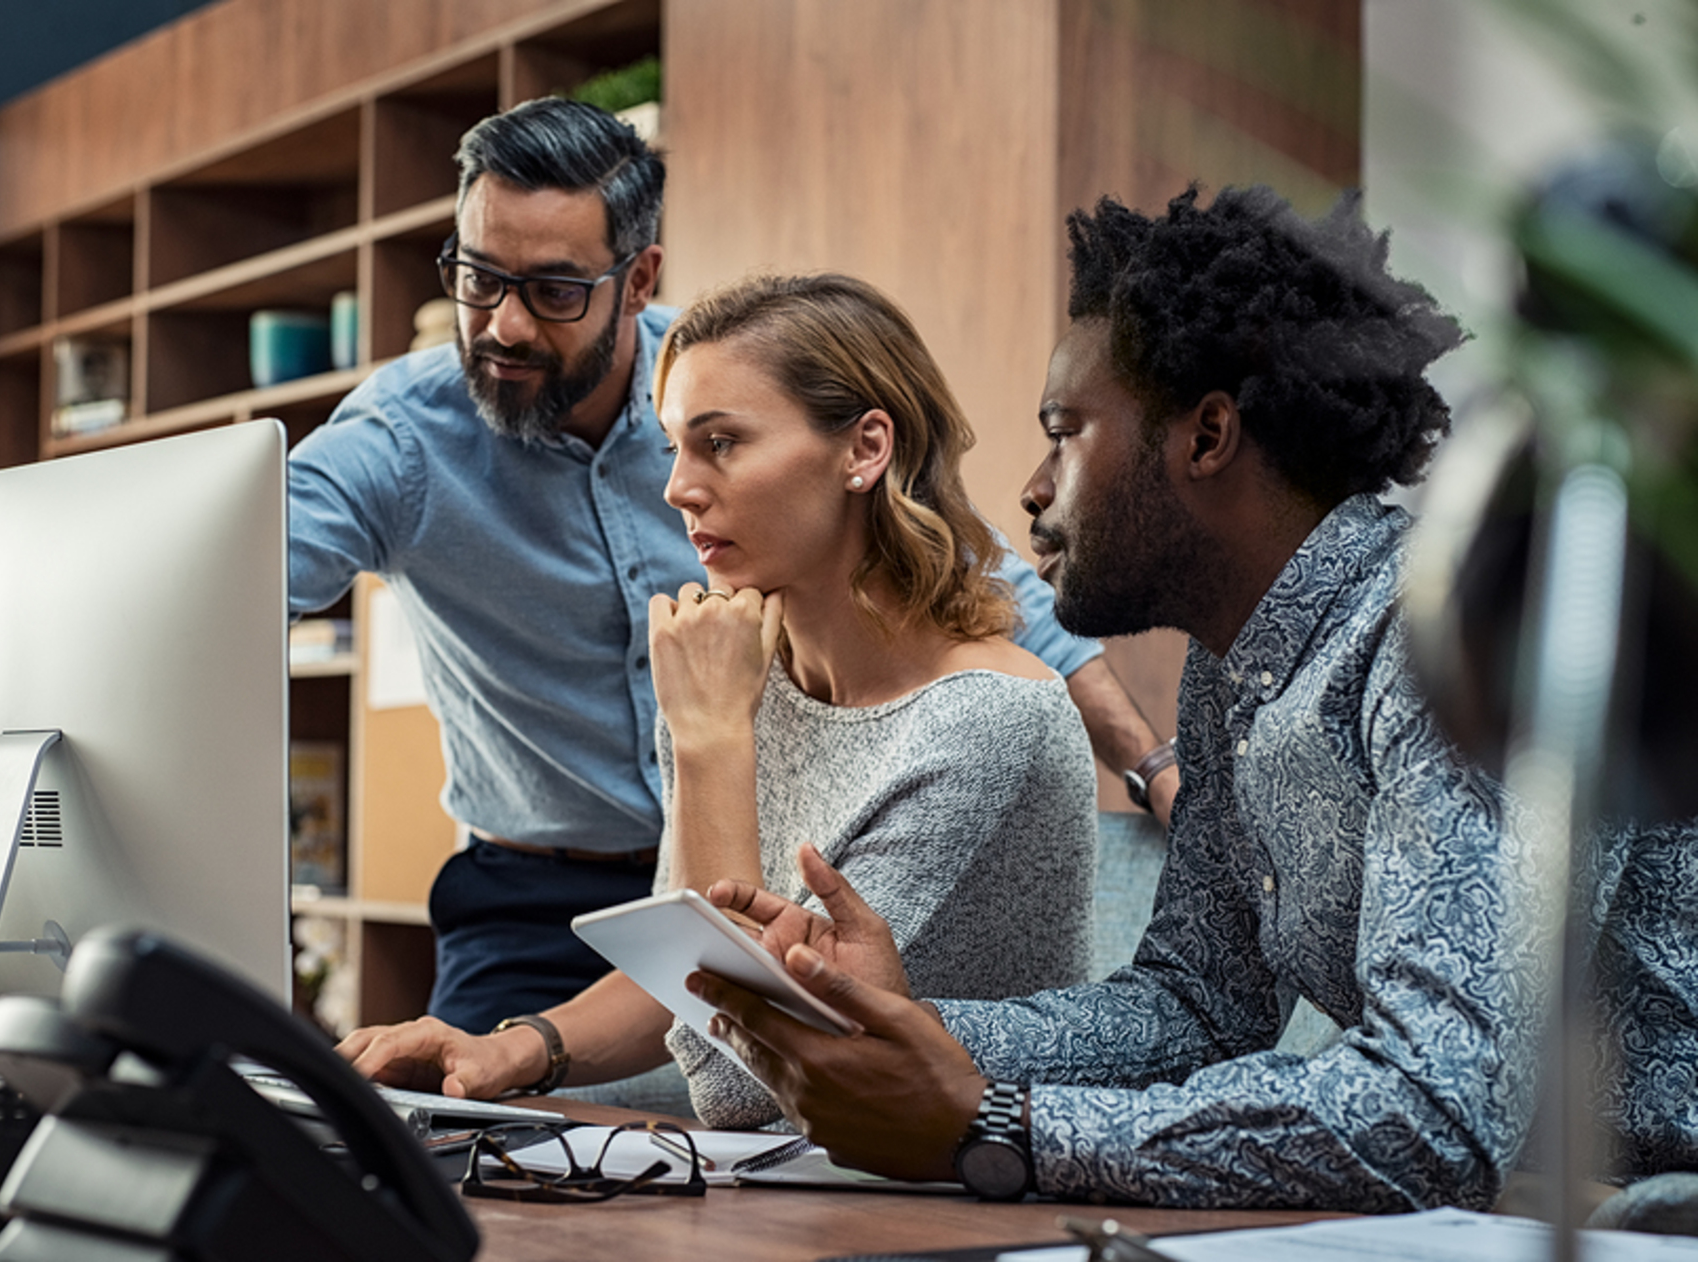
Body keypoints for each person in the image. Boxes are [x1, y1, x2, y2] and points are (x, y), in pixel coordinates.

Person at [683, 186, 1698, 1210]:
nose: (1033, 489)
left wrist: (996, 1128)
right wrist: (909, 1025)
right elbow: (1196, 1007)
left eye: (1064, 430)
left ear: (1207, 435)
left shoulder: (1448, 636)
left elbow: (1431, 1109)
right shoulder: (1233, 671)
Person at [286, 95, 1176, 1035]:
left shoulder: (736, 379)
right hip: (530, 897)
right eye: (479, 278)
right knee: (460, 1143)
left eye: (553, 290)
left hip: (757, 871)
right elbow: (235, 585)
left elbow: (997, 595)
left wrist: (1155, 766)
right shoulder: (402, 440)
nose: (503, 326)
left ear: (637, 281)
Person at [336, 272, 1099, 1123]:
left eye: (722, 443)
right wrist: (513, 1048)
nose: (678, 490)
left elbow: (743, 1076)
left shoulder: (988, 720)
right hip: (801, 1179)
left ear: (865, 449)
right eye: (674, 449)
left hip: (953, 1203)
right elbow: (681, 971)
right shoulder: (739, 677)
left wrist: (708, 741)